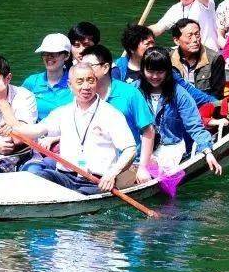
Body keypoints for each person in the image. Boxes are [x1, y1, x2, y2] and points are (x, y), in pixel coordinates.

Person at [9, 63, 136, 195]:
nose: (85, 87)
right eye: (80, 82)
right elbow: (38, 129)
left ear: (96, 82)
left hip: (96, 182)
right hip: (65, 177)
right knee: (37, 178)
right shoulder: (63, 112)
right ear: (70, 85)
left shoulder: (111, 114)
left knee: (82, 197)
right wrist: (13, 129)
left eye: (90, 81)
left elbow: (130, 149)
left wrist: (111, 174)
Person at [135, 48, 221, 181]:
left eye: (160, 72)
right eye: (150, 71)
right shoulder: (134, 91)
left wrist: (208, 151)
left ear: (168, 72)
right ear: (142, 70)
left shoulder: (179, 94)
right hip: (139, 146)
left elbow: (194, 126)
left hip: (169, 147)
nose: (155, 76)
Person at [78, 44, 156, 164]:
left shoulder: (129, 94)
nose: (84, 71)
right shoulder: (80, 93)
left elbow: (148, 131)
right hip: (89, 161)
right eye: (82, 66)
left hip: (126, 162)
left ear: (105, 68)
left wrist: (143, 167)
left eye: (89, 66)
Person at [170, 18, 226, 99]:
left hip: (204, 106)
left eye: (197, 35)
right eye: (189, 36)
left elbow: (217, 95)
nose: (195, 40)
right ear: (176, 40)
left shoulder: (214, 59)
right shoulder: (168, 59)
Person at [21, 33, 73, 120]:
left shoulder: (76, 82)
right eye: (45, 53)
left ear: (67, 56)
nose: (49, 57)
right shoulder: (31, 82)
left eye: (54, 53)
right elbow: (18, 106)